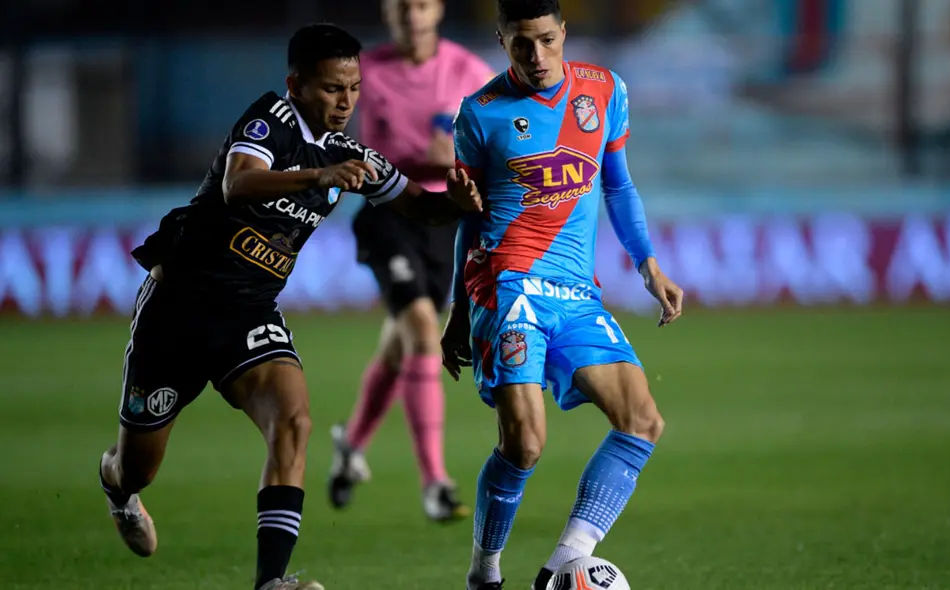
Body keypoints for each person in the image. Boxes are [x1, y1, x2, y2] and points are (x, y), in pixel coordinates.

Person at [97, 23, 480, 590]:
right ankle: (117, 487)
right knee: (139, 466)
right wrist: (320, 175)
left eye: (352, 88)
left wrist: (456, 200)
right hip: (179, 307)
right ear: (296, 85)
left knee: (294, 421)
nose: (345, 101)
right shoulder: (269, 119)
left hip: (249, 312)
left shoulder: (351, 152)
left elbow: (418, 210)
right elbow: (239, 184)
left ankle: (270, 583)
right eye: (331, 88)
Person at [439, 1, 684, 588]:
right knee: (524, 445)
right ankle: (485, 572)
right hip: (507, 284)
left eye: (548, 40)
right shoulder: (480, 114)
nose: (538, 56)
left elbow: (618, 184)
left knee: (643, 420)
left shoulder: (603, 90)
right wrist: (458, 309)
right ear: (501, 41)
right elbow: (467, 222)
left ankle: (559, 565)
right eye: (522, 44)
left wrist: (648, 264)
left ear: (563, 31)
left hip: (575, 290)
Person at [328, 0, 494, 522]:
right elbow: (330, 140)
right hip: (389, 213)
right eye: (401, 5)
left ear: (439, 9)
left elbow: (501, 149)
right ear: (385, 11)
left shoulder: (469, 72)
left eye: (420, 3)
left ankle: (351, 446)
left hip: (445, 220)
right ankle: (435, 483)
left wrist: (460, 162)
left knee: (403, 341)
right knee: (424, 331)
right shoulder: (364, 74)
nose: (411, 15)